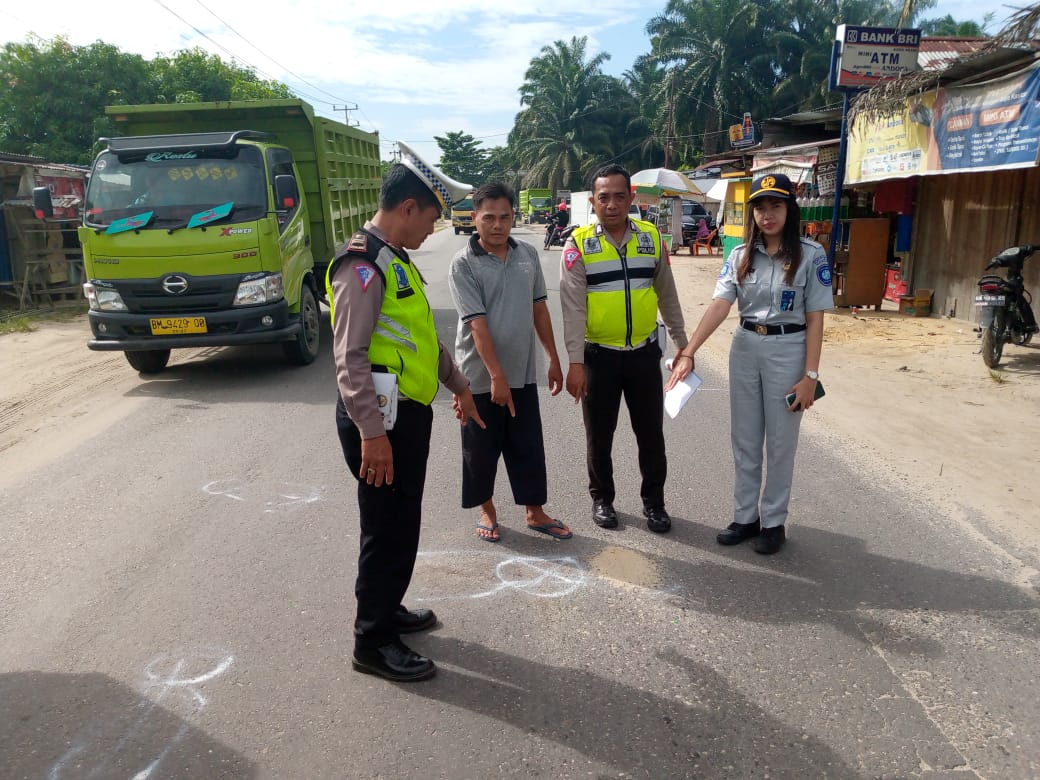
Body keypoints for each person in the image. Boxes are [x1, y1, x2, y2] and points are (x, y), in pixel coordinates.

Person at [328, 140, 485, 682]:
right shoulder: (363, 266)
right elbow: (348, 358)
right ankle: (371, 642)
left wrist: (459, 386)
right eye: (432, 218)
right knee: (386, 528)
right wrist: (373, 435)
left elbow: (422, 340)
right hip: (380, 425)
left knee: (401, 523)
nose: (432, 230)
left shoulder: (396, 262)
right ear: (408, 208)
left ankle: (387, 608)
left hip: (405, 418)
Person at [665, 173, 834, 555]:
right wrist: (689, 351)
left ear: (789, 209)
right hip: (744, 347)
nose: (767, 214)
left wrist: (810, 376)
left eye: (775, 205)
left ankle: (773, 522)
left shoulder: (810, 255)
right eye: (759, 206)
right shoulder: (739, 256)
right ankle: (745, 517)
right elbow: (721, 305)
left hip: (788, 348)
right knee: (744, 439)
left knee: (780, 441)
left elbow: (815, 318)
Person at [559, 163, 688, 533]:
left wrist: (682, 345)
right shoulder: (579, 244)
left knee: (651, 435)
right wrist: (575, 362)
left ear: (631, 198)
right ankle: (602, 500)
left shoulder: (651, 238)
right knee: (599, 436)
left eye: (619, 196)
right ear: (592, 201)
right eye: (604, 197)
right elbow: (572, 309)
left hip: (644, 357)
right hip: (599, 357)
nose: (612, 204)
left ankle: (655, 505)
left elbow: (668, 296)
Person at [448, 182, 570, 543]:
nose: (498, 225)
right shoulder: (463, 263)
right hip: (478, 377)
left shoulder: (527, 255)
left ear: (513, 216)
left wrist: (552, 357)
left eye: (504, 217)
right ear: (475, 218)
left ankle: (535, 512)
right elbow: (477, 324)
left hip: (521, 372)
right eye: (489, 218)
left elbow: (539, 308)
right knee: (481, 449)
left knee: (527, 444)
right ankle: (487, 510)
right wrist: (495, 376)